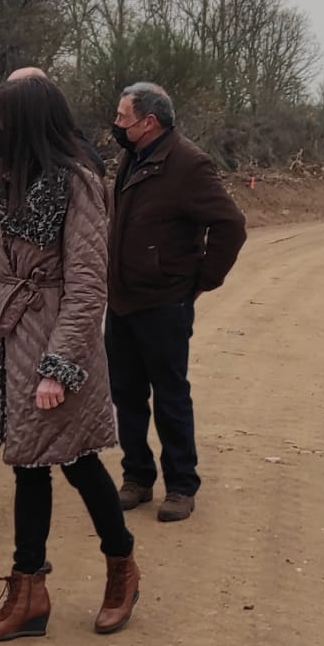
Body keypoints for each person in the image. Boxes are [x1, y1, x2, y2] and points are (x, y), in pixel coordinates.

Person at [0, 74, 140, 641]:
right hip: (8, 342)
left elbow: (88, 286)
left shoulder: (78, 184)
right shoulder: (2, 184)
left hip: (55, 343)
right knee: (28, 464)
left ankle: (121, 569)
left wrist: (57, 366)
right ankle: (29, 593)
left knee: (79, 463)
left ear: (27, 119)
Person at [104, 82, 247, 523]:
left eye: (122, 118)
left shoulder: (188, 164)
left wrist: (199, 281)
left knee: (170, 395)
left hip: (164, 303)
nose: (116, 125)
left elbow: (230, 225)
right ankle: (137, 477)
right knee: (126, 395)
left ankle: (181, 485)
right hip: (122, 301)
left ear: (149, 122)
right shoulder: (131, 158)